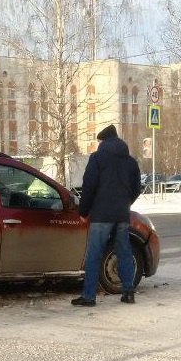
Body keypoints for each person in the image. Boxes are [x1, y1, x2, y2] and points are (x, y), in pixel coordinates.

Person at [72, 124, 142, 307]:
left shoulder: (97, 159)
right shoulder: (131, 162)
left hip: (101, 215)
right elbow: (136, 188)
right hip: (121, 214)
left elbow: (89, 186)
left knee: (94, 253)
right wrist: (125, 203)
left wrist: (83, 211)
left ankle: (88, 296)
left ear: (102, 141)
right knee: (124, 252)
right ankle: (128, 292)